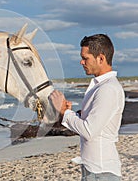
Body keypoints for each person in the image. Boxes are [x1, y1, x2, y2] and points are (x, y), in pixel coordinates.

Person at [49, 34, 125, 181]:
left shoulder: (107, 89)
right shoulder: (101, 87)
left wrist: (65, 112)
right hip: (94, 170)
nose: (81, 62)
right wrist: (71, 114)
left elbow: (89, 131)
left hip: (101, 172)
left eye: (85, 58)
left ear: (101, 58)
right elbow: (92, 125)